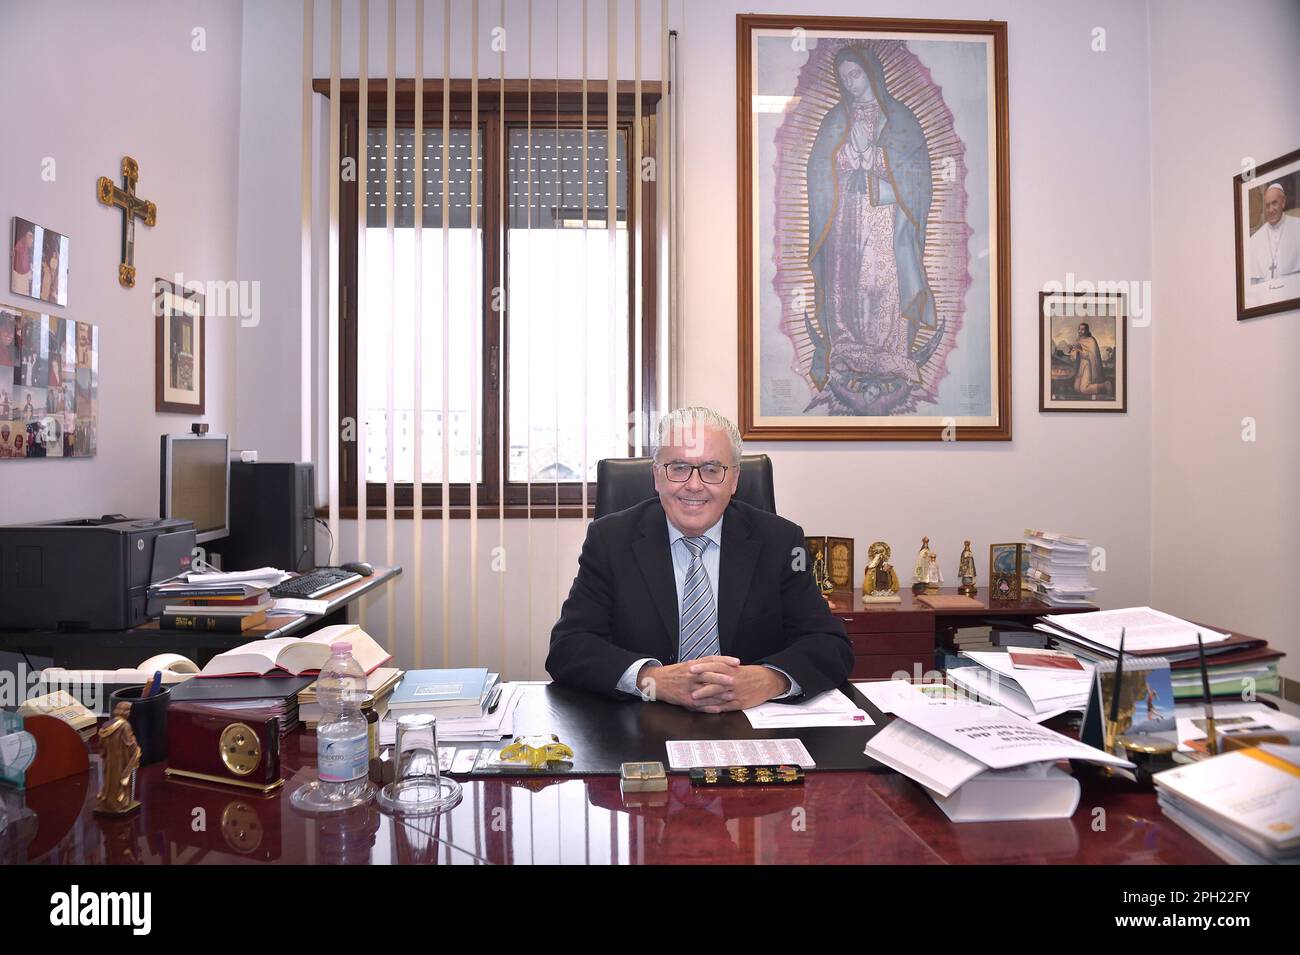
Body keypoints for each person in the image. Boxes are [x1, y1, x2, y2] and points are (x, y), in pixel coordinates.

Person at [547, 407, 853, 711]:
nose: (694, 485)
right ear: (657, 476)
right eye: (678, 467)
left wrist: (768, 680)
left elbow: (829, 645)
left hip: (749, 727)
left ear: (734, 480)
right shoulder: (610, 540)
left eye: (711, 469)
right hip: (640, 726)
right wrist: (650, 679)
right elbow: (569, 647)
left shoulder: (781, 542)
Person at [803, 45, 936, 415]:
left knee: (881, 280)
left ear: (871, 73)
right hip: (845, 214)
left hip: (883, 213)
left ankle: (888, 351)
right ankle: (846, 347)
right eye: (844, 77)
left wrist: (878, 168)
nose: (850, 82)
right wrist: (844, 165)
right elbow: (818, 169)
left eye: (855, 74)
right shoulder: (835, 119)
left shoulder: (899, 118)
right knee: (846, 281)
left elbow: (918, 176)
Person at [1249, 182, 1300, 283]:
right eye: (1267, 205)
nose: (1270, 210)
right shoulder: (1254, 240)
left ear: (1283, 202)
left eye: (1274, 203)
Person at [1069, 322, 1110, 398]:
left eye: (1082, 329)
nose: (1080, 331)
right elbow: (1074, 357)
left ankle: (1105, 385)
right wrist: (1072, 351)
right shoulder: (1078, 340)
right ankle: (1092, 391)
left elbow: (1091, 355)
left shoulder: (1091, 340)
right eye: (1079, 329)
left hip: (1088, 365)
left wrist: (1080, 350)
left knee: (1083, 389)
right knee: (1076, 388)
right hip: (1081, 365)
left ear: (1087, 331)